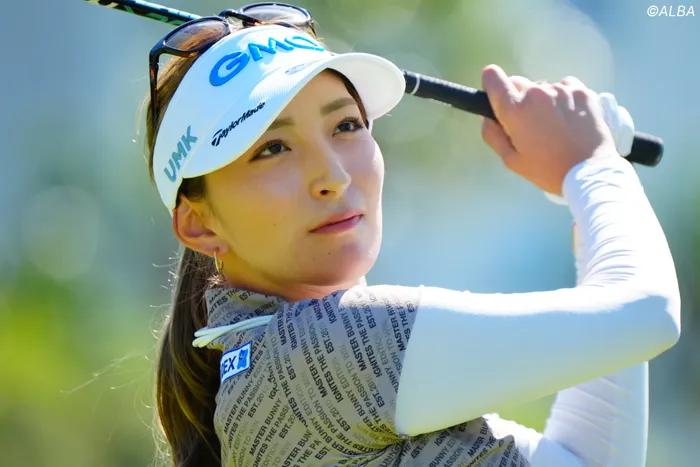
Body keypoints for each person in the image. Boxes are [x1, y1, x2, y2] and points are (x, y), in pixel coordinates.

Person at [140, 4, 681, 467]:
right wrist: (592, 167)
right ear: (199, 223)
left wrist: (593, 201)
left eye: (345, 125)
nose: (333, 176)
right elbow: (648, 315)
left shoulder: (267, 362)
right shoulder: (325, 349)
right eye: (272, 148)